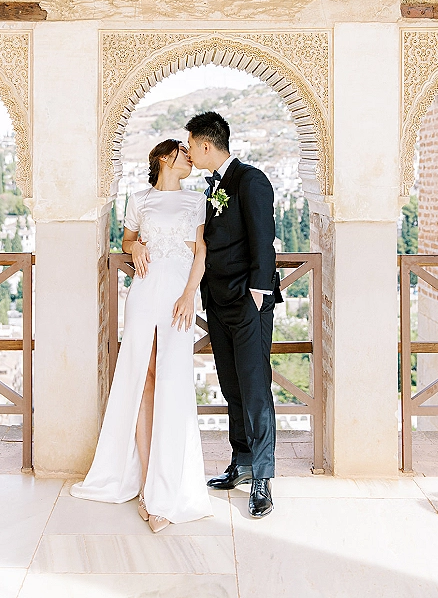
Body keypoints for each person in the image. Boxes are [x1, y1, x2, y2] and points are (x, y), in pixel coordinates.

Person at [70, 139, 212, 532]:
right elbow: (127, 240)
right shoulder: (139, 198)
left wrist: (188, 295)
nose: (190, 158)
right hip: (145, 293)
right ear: (165, 158)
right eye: (184, 152)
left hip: (178, 296)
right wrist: (133, 250)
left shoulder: (197, 200)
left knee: (172, 381)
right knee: (142, 378)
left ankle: (170, 488)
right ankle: (148, 485)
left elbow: (201, 252)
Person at [186, 111, 282, 519]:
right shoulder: (213, 187)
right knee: (231, 385)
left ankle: (262, 478)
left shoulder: (251, 179)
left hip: (248, 302)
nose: (189, 153)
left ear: (207, 146)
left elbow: (264, 238)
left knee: (256, 388)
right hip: (218, 300)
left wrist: (257, 296)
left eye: (191, 146)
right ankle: (241, 463)